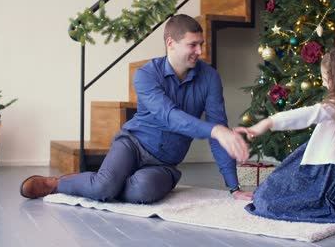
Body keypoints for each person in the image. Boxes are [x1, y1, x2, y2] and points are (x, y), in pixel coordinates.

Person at [20, 14, 253, 203]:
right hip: (132, 144)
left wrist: (233, 187)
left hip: (165, 163)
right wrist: (215, 130)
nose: (200, 51)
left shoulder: (209, 77)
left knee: (141, 192)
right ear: (170, 43)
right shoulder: (146, 75)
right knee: (103, 188)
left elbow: (219, 133)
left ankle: (110, 182)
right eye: (193, 45)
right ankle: (58, 184)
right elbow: (169, 116)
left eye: (201, 44)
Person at [234, 47, 335, 229]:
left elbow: (306, 115)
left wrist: (267, 122)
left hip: (329, 176)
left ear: (333, 79)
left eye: (324, 77)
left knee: (267, 199)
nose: (324, 82)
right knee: (273, 190)